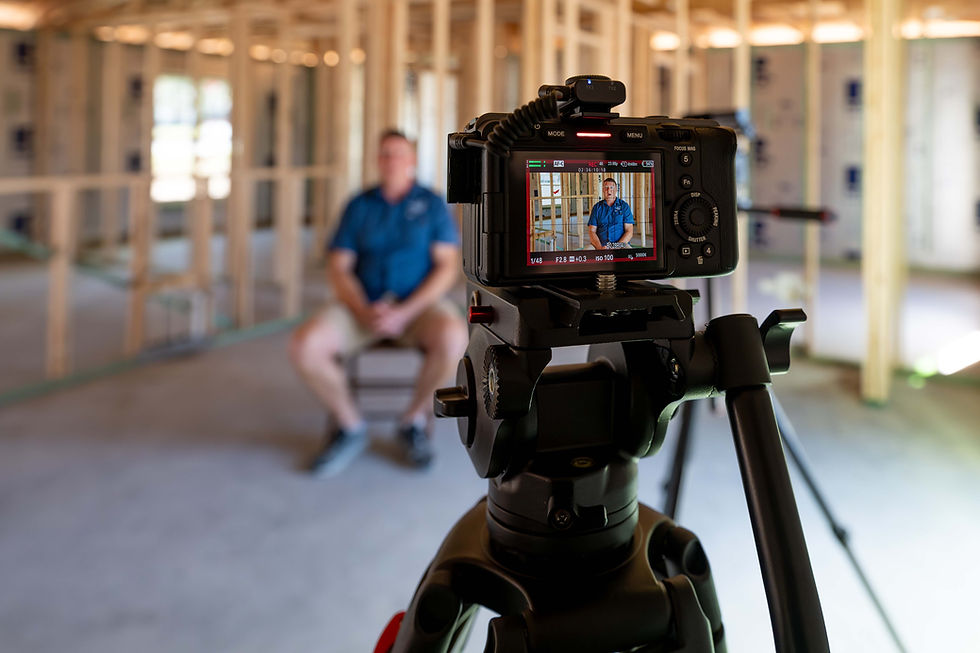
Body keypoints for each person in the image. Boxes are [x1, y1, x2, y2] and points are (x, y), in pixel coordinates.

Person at [290, 130, 469, 477]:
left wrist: (405, 312)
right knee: (304, 345)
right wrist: (361, 309)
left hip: (417, 308)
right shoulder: (359, 205)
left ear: (412, 160)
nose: (391, 161)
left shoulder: (431, 204)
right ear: (377, 160)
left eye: (399, 154)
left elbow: (446, 268)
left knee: (454, 337)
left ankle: (412, 421)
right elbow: (338, 267)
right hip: (361, 307)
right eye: (385, 154)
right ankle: (350, 424)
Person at [587, 178, 634, 249]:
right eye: (606, 188)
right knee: (587, 250)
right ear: (603, 190)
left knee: (629, 252)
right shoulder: (597, 207)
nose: (609, 190)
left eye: (611, 187)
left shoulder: (624, 206)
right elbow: (592, 231)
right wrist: (600, 248)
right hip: (601, 245)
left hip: (620, 245)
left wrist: (616, 247)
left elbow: (629, 231)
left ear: (616, 189)